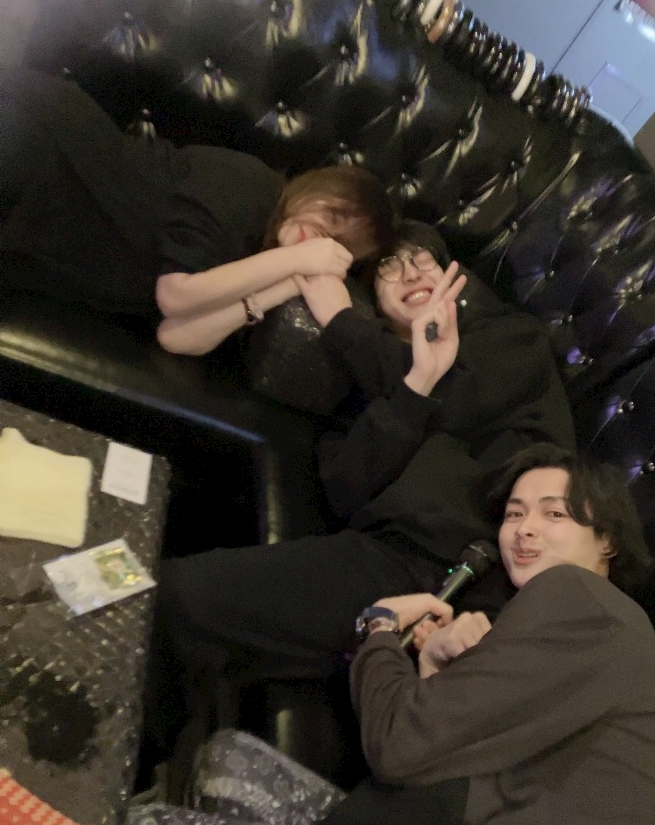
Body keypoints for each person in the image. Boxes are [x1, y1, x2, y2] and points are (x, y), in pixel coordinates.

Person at [106, 444, 655, 825]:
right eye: (515, 514)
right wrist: (431, 668)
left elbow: (400, 744)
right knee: (226, 764)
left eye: (554, 514)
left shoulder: (581, 601)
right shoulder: (595, 642)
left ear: (607, 542)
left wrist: (378, 630)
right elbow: (438, 760)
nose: (525, 529)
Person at [148, 220, 576, 763]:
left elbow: (457, 398)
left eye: (423, 259)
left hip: (465, 569)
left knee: (180, 599)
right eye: (389, 269)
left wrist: (342, 322)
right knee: (180, 599)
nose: (410, 273)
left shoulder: (510, 339)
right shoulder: (366, 382)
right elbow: (346, 489)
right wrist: (412, 387)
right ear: (373, 299)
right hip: (387, 556)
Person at [0, 65, 393, 352]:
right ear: (318, 187)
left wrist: (289, 282)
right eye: (333, 216)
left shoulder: (265, 263)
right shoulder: (253, 185)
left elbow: (176, 337)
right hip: (44, 151)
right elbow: (174, 296)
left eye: (338, 243)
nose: (322, 237)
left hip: (42, 226)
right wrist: (299, 258)